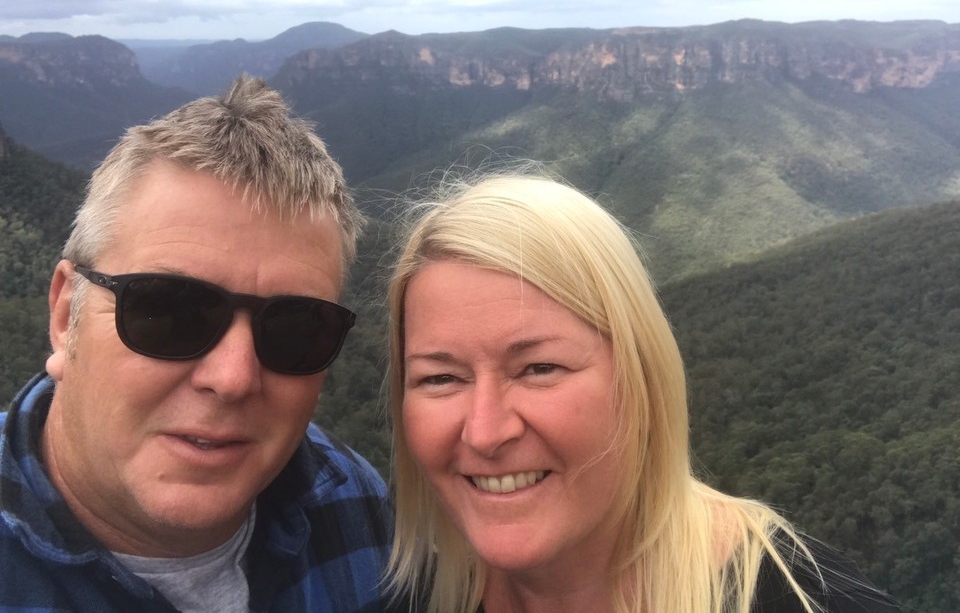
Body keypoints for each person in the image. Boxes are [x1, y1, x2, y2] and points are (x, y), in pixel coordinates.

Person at [385, 173, 902, 613]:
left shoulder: (811, 599)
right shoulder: (414, 594)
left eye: (539, 367)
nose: (485, 431)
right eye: (440, 378)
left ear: (642, 379)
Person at [0, 76, 393, 612]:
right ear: (67, 315)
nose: (232, 378)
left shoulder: (354, 505)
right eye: (169, 312)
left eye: (295, 328)